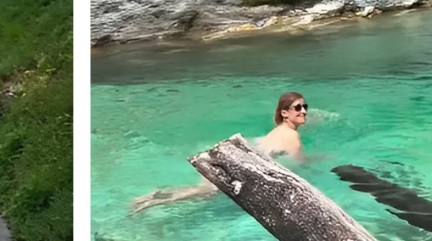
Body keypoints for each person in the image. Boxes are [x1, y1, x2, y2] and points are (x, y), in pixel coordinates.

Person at [128, 91, 310, 215]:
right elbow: (300, 164)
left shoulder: (279, 130)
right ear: (285, 113)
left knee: (202, 190)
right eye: (298, 108)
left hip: (234, 155)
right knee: (207, 192)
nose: (303, 111)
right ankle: (151, 203)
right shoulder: (292, 136)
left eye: (304, 107)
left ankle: (154, 195)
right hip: (238, 164)